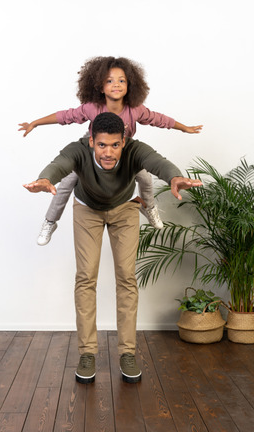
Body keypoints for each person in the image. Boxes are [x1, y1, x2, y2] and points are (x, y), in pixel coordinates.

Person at [23, 112, 203, 384]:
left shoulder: (135, 150)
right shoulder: (78, 150)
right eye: (102, 145)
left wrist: (174, 176)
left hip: (124, 210)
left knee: (126, 278)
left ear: (124, 141)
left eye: (115, 145)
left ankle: (127, 353)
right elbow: (59, 164)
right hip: (87, 211)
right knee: (85, 279)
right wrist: (45, 178)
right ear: (92, 141)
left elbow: (158, 162)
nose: (108, 153)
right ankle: (87, 354)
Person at [19, 56, 202, 246]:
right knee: (67, 182)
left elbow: (159, 119)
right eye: (109, 80)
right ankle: (50, 222)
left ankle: (149, 209)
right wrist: (35, 123)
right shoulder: (92, 108)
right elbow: (65, 116)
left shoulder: (135, 109)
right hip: (94, 148)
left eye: (121, 80)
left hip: (123, 148)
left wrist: (185, 128)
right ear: (99, 86)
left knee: (145, 178)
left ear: (130, 84)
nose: (116, 84)